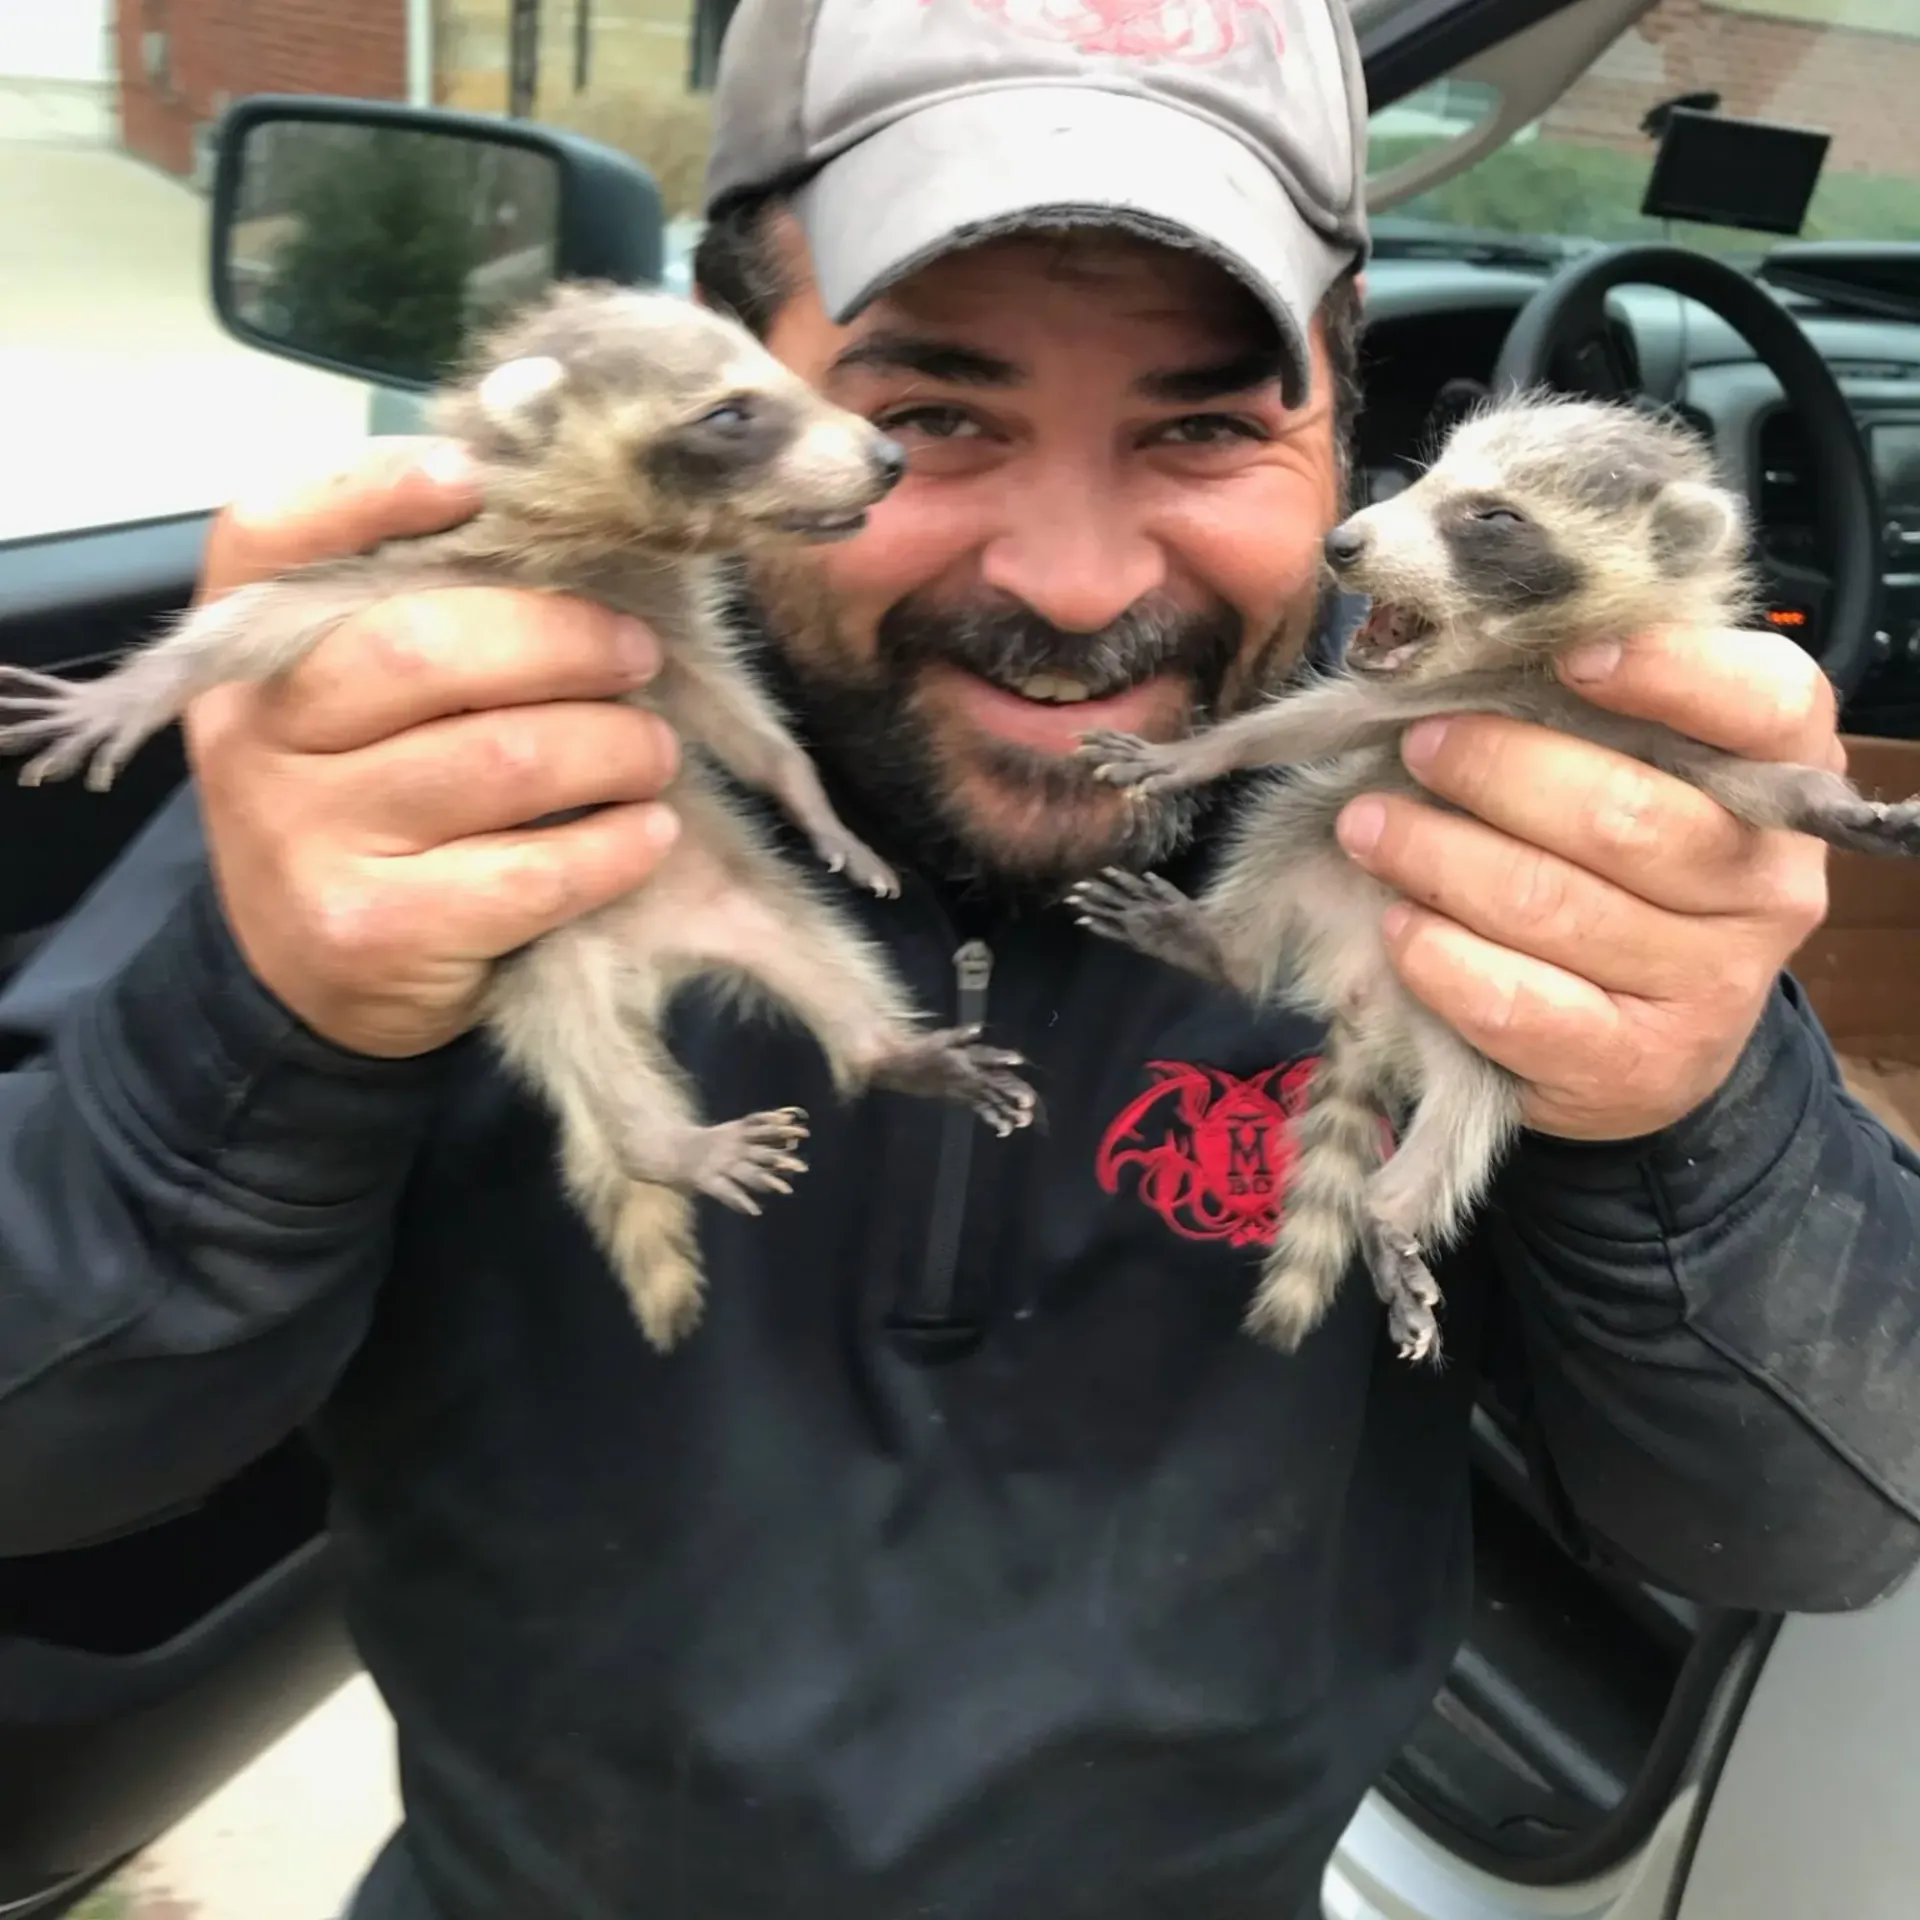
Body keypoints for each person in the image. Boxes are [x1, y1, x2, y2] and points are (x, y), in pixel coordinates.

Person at [4, 1, 1920, 1915]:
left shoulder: (1467, 827)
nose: (1076, 584)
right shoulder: (458, 770)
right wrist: (270, 1020)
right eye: (931, 417)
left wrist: (1693, 1100)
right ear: (730, 377)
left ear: (1344, 419)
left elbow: (1815, 1520)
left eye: (1203, 425)